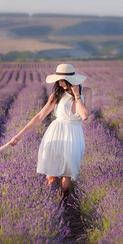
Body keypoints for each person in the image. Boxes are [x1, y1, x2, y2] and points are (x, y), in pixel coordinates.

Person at [10, 64, 92, 200]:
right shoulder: (57, 94)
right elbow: (40, 116)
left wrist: (77, 95)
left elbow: (84, 116)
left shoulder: (86, 92)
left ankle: (62, 206)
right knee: (51, 179)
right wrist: (19, 135)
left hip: (74, 137)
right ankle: (48, 207)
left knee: (67, 181)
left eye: (62, 80)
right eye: (58, 80)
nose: (60, 83)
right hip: (55, 134)